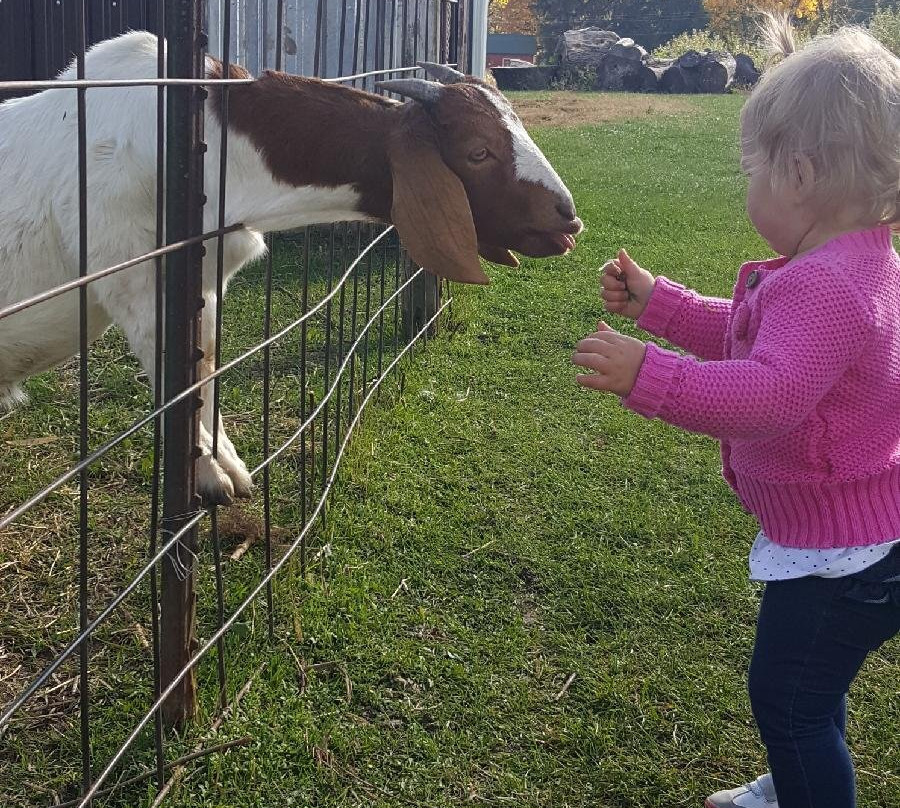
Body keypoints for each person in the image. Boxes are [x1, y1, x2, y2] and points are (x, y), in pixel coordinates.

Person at [570, 15, 900, 808]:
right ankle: (801, 771)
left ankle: (804, 784)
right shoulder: (854, 262)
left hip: (840, 557)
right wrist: (664, 305)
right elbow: (754, 338)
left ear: (799, 176)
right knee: (811, 685)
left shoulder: (827, 287)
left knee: (788, 700)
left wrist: (651, 376)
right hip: (857, 534)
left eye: (750, 168)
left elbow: (770, 393)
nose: (746, 183)